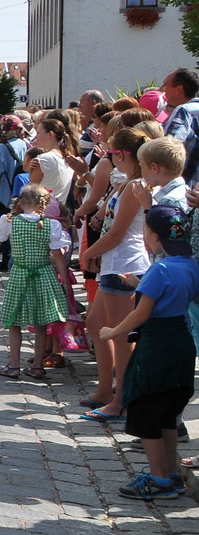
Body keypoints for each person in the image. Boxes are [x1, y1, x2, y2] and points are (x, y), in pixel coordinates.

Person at [96, 205, 199, 500]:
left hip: (157, 346)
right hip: (181, 341)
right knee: (168, 412)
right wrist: (140, 284)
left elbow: (141, 314)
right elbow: (174, 294)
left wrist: (111, 332)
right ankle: (172, 474)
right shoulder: (190, 264)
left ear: (152, 235)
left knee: (146, 409)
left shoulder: (160, 268)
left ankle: (158, 480)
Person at [80, 125, 155, 421]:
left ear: (122, 154)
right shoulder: (125, 183)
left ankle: (121, 399)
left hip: (126, 263)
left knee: (122, 338)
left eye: (111, 153)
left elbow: (119, 233)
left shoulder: (136, 188)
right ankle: (105, 390)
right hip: (113, 262)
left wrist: (89, 253)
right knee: (95, 323)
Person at [0, 185, 69, 381]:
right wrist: (65, 281)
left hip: (20, 274)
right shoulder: (52, 225)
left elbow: (0, 238)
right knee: (41, 322)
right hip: (44, 274)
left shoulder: (10, 221)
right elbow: (58, 256)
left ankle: (14, 365)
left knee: (13, 320)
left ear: (21, 202)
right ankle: (37, 366)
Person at [159, 67, 199, 184]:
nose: (162, 89)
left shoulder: (185, 111)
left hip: (183, 192)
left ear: (179, 89)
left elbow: (169, 148)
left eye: (165, 85)